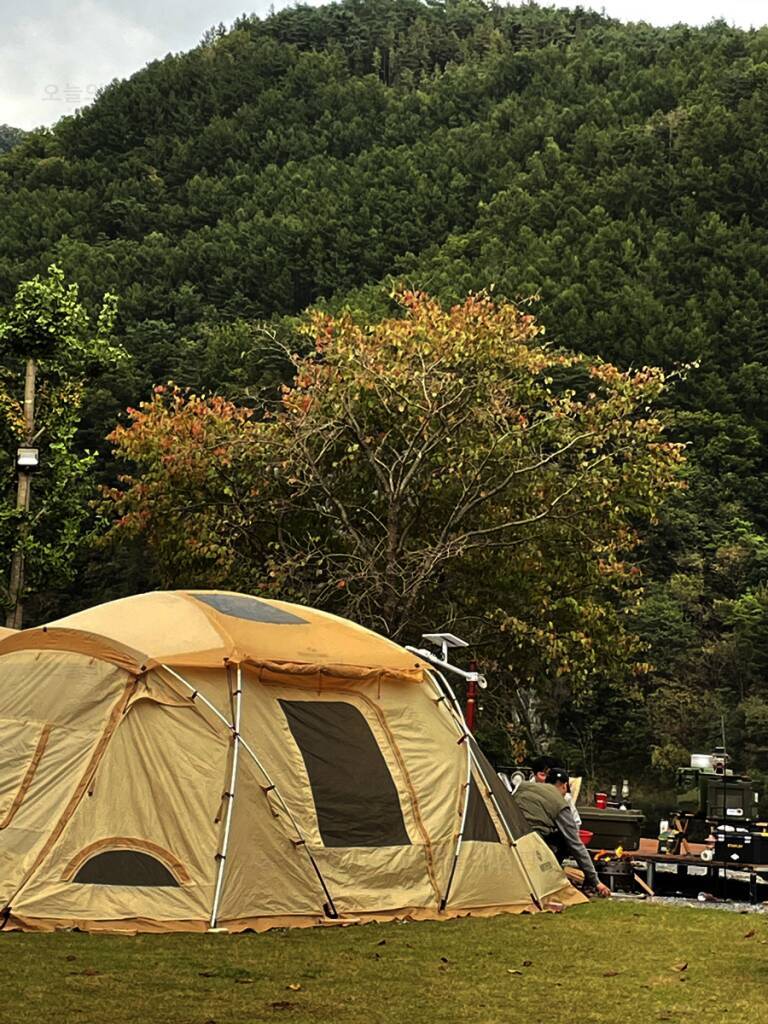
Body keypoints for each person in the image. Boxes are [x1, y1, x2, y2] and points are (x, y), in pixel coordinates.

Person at [514, 767, 610, 898]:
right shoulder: (559, 802)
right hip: (535, 843)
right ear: (564, 786)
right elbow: (575, 844)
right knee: (564, 841)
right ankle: (548, 880)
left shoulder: (523, 787)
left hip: (511, 838)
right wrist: (596, 882)